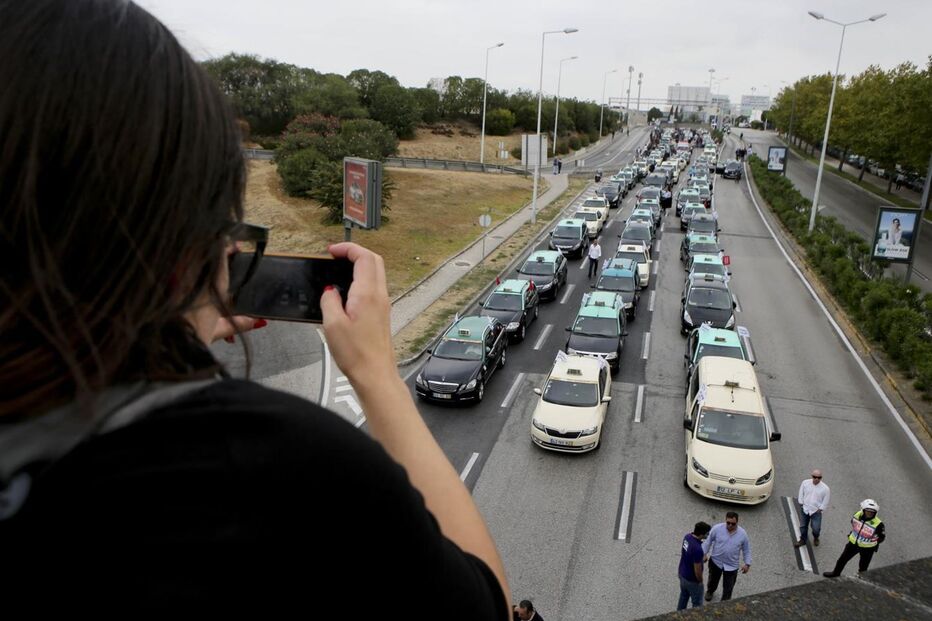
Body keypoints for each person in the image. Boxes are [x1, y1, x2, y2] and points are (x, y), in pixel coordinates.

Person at [0, 1, 511, 617]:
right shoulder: (272, 471)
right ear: (183, 248)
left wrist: (171, 326)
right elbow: (486, 606)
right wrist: (376, 370)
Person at [823, 499, 886, 578]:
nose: (869, 513)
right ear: (863, 510)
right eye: (867, 511)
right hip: (853, 544)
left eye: (872, 512)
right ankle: (835, 573)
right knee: (842, 560)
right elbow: (853, 523)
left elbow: (882, 537)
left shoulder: (879, 524)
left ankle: (861, 578)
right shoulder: (857, 515)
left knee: (863, 567)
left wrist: (870, 542)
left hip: (868, 549)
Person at [703, 512, 752, 602]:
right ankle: (710, 591)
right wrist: (704, 553)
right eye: (728, 523)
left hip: (731, 566)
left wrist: (747, 564)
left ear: (737, 522)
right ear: (725, 520)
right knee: (712, 581)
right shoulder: (717, 529)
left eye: (733, 524)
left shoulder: (743, 534)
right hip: (716, 562)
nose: (730, 525)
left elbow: (746, 550)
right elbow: (708, 541)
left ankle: (725, 602)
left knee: (728, 587)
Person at [678, 521, 712, 610]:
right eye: (707, 533)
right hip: (692, 580)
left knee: (683, 597)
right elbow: (697, 570)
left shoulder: (687, 537)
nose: (708, 535)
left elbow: (689, 554)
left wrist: (700, 558)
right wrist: (700, 581)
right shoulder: (698, 549)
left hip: (682, 574)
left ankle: (678, 614)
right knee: (697, 604)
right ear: (701, 534)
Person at [795, 469, 830, 547]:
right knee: (803, 526)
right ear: (812, 476)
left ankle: (816, 537)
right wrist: (801, 503)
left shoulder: (825, 489)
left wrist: (820, 509)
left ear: (821, 478)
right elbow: (801, 493)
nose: (816, 479)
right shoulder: (805, 483)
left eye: (819, 477)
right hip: (805, 509)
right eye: (815, 477)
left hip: (816, 512)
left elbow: (825, 501)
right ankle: (803, 540)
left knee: (816, 529)